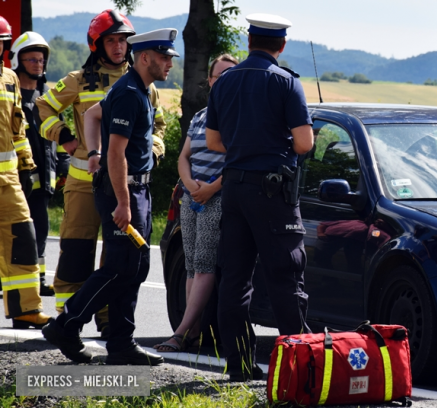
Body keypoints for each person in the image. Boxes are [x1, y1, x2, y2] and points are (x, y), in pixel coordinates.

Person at [42, 28, 178, 366]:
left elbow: (92, 115)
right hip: (125, 189)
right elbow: (116, 153)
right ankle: (66, 324)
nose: (169, 64)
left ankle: (120, 342)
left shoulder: (138, 88)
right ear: (145, 57)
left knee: (135, 267)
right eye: (164, 57)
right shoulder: (130, 92)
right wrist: (122, 201)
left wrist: (92, 153)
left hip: (135, 189)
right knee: (120, 266)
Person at [205, 13, 314, 382]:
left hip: (234, 189)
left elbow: (213, 142)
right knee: (286, 278)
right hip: (274, 194)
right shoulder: (286, 83)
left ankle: (238, 368)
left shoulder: (225, 82)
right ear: (280, 46)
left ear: (249, 41)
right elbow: (304, 142)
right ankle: (298, 371)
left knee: (235, 280)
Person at [154, 54, 237, 353]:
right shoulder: (201, 115)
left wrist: (211, 189)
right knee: (191, 268)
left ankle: (180, 333)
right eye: (219, 75)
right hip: (192, 197)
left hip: (217, 199)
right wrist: (190, 186)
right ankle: (193, 332)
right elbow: (183, 158)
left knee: (203, 267)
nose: (224, 80)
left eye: (231, 74)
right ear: (211, 80)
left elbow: (239, 161)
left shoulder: (239, 114)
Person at [0, 16, 53, 329]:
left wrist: (29, 168)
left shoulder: (9, 79)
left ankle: (25, 309)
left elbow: (18, 130)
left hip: (8, 182)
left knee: (24, 240)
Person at [10, 31, 56, 297]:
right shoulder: (11, 96)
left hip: (43, 179)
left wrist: (61, 165)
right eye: (32, 60)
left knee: (40, 230)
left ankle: (37, 279)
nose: (38, 64)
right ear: (19, 61)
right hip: (16, 179)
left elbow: (56, 138)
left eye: (41, 60)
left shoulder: (46, 98)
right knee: (16, 232)